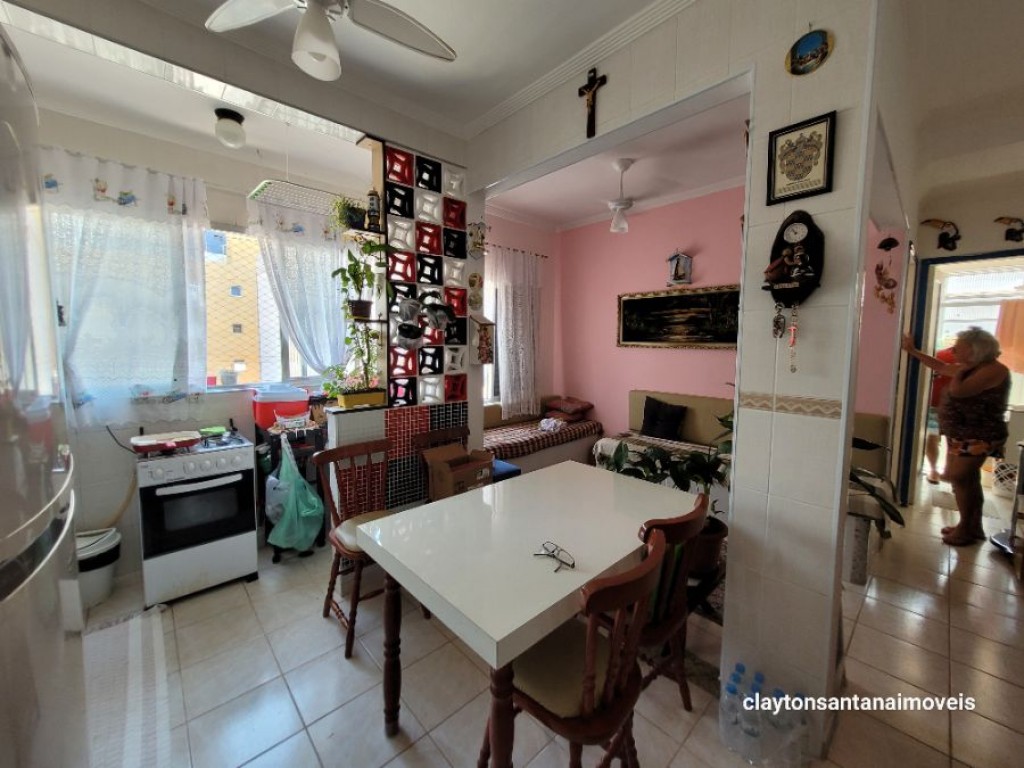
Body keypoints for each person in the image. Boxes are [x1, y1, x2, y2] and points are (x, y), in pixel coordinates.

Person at [902, 328, 1010, 546]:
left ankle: (965, 530)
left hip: (979, 436)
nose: (952, 351)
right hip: (963, 436)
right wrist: (913, 352)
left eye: (958, 347)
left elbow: (960, 391)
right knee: (968, 481)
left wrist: (960, 371)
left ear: (974, 350)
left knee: (958, 478)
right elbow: (941, 367)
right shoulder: (975, 368)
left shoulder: (993, 370)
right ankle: (972, 526)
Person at [924, 344, 958, 484]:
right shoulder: (940, 355)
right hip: (942, 407)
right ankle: (941, 471)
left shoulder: (939, 355)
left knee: (935, 438)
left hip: (946, 406)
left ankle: (938, 471)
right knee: (947, 441)